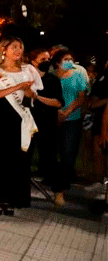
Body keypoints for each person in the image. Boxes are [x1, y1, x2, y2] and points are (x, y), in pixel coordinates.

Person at [0, 36, 43, 215]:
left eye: (20, 47)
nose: (18, 51)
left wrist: (27, 90)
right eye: (14, 47)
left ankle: (11, 197)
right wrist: (15, 87)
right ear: (4, 50)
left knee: (15, 159)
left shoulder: (27, 71)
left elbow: (32, 96)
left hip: (18, 118)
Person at [27, 48, 65, 204]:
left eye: (48, 59)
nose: (46, 62)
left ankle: (58, 191)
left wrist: (37, 97)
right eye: (42, 59)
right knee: (25, 156)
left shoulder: (52, 80)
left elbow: (57, 102)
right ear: (33, 61)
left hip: (47, 123)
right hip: (28, 122)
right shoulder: (26, 78)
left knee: (50, 157)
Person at [53, 48, 89, 201]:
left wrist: (66, 112)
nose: (69, 62)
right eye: (65, 59)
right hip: (53, 119)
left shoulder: (79, 72)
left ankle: (60, 189)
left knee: (68, 155)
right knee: (53, 154)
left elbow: (82, 96)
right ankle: (55, 182)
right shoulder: (52, 76)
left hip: (72, 120)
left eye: (71, 59)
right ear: (57, 62)